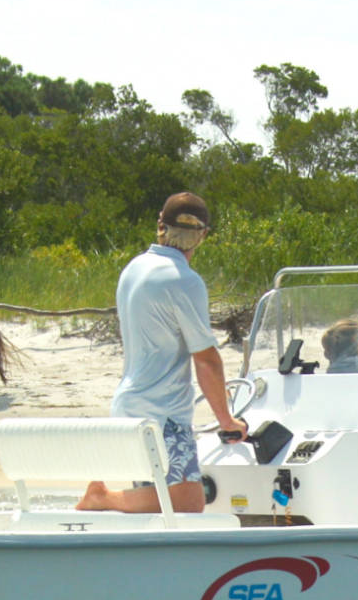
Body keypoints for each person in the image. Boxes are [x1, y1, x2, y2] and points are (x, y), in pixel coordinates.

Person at [77, 193, 245, 515]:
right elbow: (206, 359)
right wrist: (226, 420)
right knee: (187, 503)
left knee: (160, 510)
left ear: (160, 225)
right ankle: (101, 497)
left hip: (129, 406)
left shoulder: (134, 268)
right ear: (204, 235)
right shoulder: (185, 281)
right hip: (162, 415)